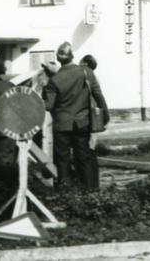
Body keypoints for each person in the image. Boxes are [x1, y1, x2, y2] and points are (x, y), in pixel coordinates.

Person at [44, 41, 108, 191]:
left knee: (62, 159)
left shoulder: (54, 80)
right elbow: (98, 95)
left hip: (61, 125)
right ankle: (88, 190)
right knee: (83, 156)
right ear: (72, 56)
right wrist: (105, 115)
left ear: (58, 59)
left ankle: (65, 191)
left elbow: (48, 105)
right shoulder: (86, 72)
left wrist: (45, 87)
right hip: (82, 122)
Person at [79, 54, 109, 192]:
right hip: (93, 118)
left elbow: (97, 95)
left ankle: (88, 184)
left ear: (84, 63)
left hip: (86, 117)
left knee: (85, 152)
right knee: (90, 150)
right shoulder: (93, 77)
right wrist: (105, 116)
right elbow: (99, 96)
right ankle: (93, 184)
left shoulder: (84, 75)